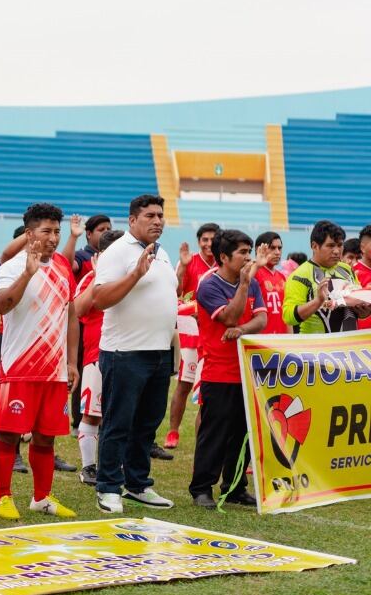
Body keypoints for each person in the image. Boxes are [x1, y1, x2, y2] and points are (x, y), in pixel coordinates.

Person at [0, 202, 79, 519]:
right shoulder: (13, 267)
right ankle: (3, 496)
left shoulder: (63, 268)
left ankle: (41, 497)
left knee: (46, 436)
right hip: (20, 369)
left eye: (58, 231)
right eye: (47, 231)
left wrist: (71, 362)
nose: (54, 238)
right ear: (29, 234)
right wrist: (27, 274)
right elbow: (1, 305)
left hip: (55, 371)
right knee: (9, 435)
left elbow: (71, 315)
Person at [91, 194, 177, 514]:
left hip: (158, 352)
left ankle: (138, 484)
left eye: (160, 216)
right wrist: (135, 276)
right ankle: (109, 486)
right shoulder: (117, 251)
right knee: (119, 422)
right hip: (125, 352)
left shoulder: (162, 253)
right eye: (150, 216)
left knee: (147, 424)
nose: (157, 221)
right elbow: (99, 298)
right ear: (132, 220)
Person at [190, 230, 266, 509]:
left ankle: (234, 487)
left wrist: (241, 330)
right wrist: (244, 286)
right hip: (219, 372)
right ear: (223, 257)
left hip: (246, 371)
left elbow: (261, 320)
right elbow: (229, 316)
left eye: (250, 251)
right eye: (243, 253)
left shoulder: (252, 282)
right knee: (215, 433)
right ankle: (201, 488)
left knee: (243, 433)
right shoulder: (209, 285)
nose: (249, 258)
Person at [73, 229, 124, 486]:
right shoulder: (91, 278)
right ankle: (88, 467)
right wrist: (96, 276)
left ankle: (115, 464)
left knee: (123, 414)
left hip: (129, 354)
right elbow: (78, 309)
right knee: (93, 413)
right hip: (97, 355)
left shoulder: (133, 278)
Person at [166, 222, 219, 451]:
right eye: (204, 240)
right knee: (184, 384)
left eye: (212, 240)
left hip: (213, 332)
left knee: (207, 386)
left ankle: (203, 436)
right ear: (199, 242)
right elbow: (175, 292)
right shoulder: (189, 260)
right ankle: (173, 430)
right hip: (191, 331)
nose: (208, 244)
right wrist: (182, 268)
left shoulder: (223, 262)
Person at [283, 220, 370, 333]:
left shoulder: (347, 269)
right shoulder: (299, 275)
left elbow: (359, 311)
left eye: (340, 245)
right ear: (314, 246)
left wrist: (364, 311)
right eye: (330, 246)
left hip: (348, 347)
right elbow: (289, 317)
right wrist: (318, 301)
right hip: (317, 348)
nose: (337, 251)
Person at [253, 231, 289, 335]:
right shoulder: (253, 273)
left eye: (279, 248)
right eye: (272, 248)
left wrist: (291, 338)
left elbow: (286, 311)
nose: (277, 252)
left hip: (282, 340)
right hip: (261, 339)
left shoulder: (282, 277)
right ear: (259, 250)